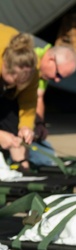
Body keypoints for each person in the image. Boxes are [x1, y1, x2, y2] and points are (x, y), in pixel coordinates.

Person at [0, 28, 38, 169]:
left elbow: (28, 103)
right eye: (14, 81)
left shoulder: (31, 69)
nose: (18, 86)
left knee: (12, 127)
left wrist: (25, 127)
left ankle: (21, 167)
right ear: (5, 65)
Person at [31, 40, 76, 145]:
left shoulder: (43, 72)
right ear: (51, 60)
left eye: (61, 78)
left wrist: (39, 124)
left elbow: (38, 97)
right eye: (58, 74)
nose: (57, 80)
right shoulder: (30, 54)